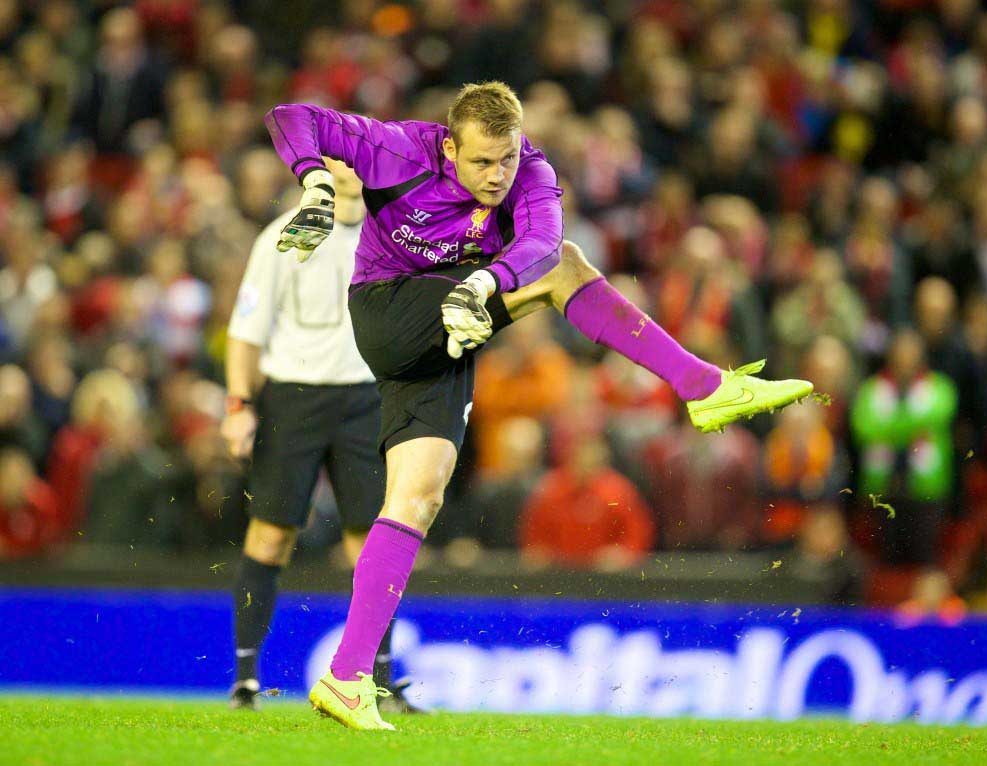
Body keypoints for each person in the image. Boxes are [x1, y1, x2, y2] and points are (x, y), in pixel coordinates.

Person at [263, 81, 813, 730]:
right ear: (448, 147)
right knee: (569, 268)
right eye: (481, 162)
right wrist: (317, 186)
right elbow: (290, 116)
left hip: (449, 335)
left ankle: (347, 677)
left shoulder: (534, 174)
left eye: (507, 158)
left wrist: (487, 283)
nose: (497, 176)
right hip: (386, 311)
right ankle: (703, 388)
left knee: (418, 496)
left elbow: (540, 243)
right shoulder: (400, 151)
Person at [220, 160, 418, 714]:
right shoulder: (284, 236)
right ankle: (245, 681)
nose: (352, 175)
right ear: (320, 174)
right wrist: (238, 403)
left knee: (373, 544)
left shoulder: (394, 234)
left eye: (361, 164)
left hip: (366, 399)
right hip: (294, 397)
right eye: (340, 164)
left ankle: (377, 682)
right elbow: (246, 331)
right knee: (270, 536)